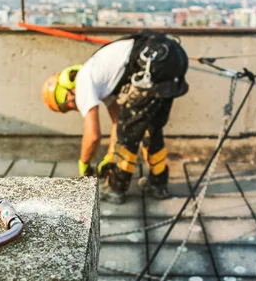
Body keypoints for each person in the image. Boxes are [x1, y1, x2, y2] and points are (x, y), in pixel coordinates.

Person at [41, 29, 189, 204]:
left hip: (153, 63)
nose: (75, 109)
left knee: (129, 131)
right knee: (151, 129)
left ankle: (116, 189)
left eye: (68, 107)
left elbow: (93, 136)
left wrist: (84, 164)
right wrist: (111, 156)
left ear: (66, 95)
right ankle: (157, 184)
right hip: (169, 58)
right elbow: (116, 121)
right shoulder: (101, 78)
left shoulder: (83, 83)